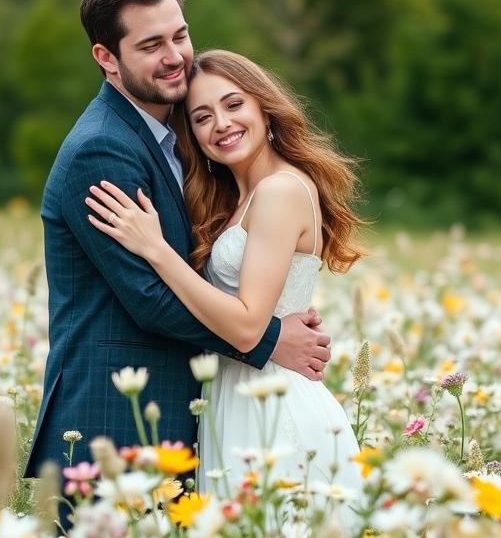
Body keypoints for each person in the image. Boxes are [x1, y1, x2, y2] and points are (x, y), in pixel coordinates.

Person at [23, 0, 331, 498]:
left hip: (192, 415)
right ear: (107, 58)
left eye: (180, 35)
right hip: (115, 419)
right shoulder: (103, 148)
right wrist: (269, 339)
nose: (174, 57)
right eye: (150, 45)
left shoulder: (179, 143)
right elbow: (149, 298)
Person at [85, 48, 365, 496]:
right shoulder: (239, 200)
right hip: (235, 396)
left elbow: (248, 325)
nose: (221, 123)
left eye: (233, 104)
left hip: (272, 404)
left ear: (264, 107)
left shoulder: (279, 191)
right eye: (201, 117)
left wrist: (157, 250)